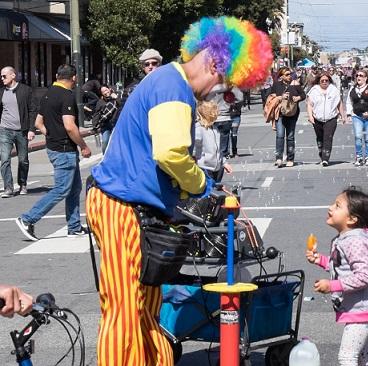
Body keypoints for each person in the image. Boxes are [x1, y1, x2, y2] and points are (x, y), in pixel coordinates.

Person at [87, 17, 272, 365]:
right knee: (125, 310)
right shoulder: (173, 87)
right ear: (215, 62)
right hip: (121, 205)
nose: (218, 91)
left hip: (135, 208)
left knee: (144, 308)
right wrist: (202, 186)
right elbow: (171, 152)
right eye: (223, 81)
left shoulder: (168, 81)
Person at [305, 187, 368, 366]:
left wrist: (332, 286)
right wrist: (319, 260)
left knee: (347, 357)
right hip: (362, 307)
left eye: (337, 206)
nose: (330, 207)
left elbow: (364, 276)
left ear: (352, 219)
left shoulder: (354, 241)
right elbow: (341, 265)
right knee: (362, 358)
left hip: (361, 309)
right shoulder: (345, 238)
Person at [15, 64, 91, 241]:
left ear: (57, 76)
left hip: (54, 147)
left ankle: (74, 226)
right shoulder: (67, 96)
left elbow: (38, 122)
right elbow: (70, 127)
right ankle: (28, 218)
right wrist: (84, 146)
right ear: (74, 78)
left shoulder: (48, 94)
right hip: (64, 149)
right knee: (62, 189)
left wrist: (50, 133)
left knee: (74, 188)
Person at [0, 66, 36, 198]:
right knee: (4, 160)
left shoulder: (26, 90)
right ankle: (8, 188)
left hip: (22, 131)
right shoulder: (1, 92)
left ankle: (23, 184)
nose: (2, 78)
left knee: (23, 160)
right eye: (1, 76)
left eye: (4, 76)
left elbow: (33, 110)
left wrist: (32, 129)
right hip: (5, 130)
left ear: (13, 75)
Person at [270, 67, 306, 167]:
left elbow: (303, 95)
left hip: (292, 114)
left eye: (290, 74)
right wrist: (280, 97)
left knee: (290, 137)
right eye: (287, 74)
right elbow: (270, 97)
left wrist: (298, 97)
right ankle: (279, 158)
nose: (289, 76)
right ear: (281, 76)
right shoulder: (276, 85)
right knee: (280, 136)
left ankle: (290, 159)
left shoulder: (295, 84)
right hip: (280, 114)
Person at [307, 72, 345, 166]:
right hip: (317, 118)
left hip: (331, 118)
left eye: (326, 80)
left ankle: (325, 158)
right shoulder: (314, 90)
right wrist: (310, 116)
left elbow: (339, 103)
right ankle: (322, 153)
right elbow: (309, 105)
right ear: (318, 81)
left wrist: (343, 116)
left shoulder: (334, 90)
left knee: (328, 137)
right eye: (322, 81)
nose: (324, 82)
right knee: (320, 138)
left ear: (329, 81)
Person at [346, 68, 368, 167]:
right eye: (357, 76)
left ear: (366, 78)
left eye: (361, 75)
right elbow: (349, 102)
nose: (358, 77)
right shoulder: (352, 89)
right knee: (358, 136)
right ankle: (359, 157)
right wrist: (349, 113)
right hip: (357, 116)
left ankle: (367, 157)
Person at [193, 101, 232, 181]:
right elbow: (193, 150)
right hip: (204, 168)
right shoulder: (198, 129)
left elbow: (218, 149)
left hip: (217, 168)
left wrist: (224, 163)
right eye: (214, 113)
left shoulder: (214, 128)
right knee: (209, 191)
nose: (217, 115)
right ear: (208, 114)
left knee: (216, 190)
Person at [226, 87, 244, 158]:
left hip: (236, 115)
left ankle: (234, 151)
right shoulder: (224, 91)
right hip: (226, 116)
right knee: (226, 134)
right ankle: (226, 152)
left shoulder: (237, 90)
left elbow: (241, 100)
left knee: (234, 134)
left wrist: (235, 103)